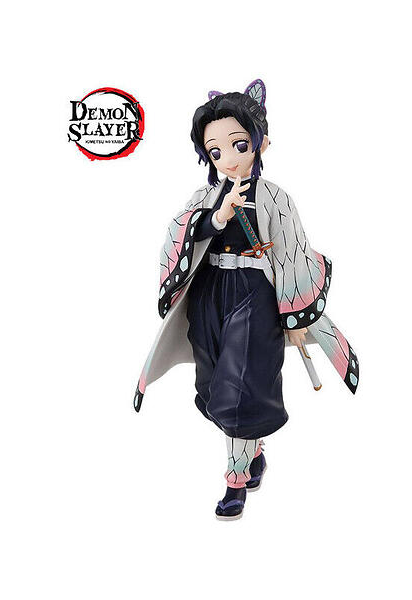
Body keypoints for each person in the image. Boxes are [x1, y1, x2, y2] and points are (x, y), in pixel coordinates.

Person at [134, 80, 359, 520]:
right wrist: (216, 216)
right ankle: (252, 452)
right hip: (209, 297)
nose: (229, 158)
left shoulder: (276, 198)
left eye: (239, 145)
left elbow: (292, 253)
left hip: (254, 299)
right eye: (216, 151)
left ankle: (235, 480)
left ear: (261, 143)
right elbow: (180, 232)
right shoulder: (205, 196)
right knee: (213, 384)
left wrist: (296, 318)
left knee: (239, 389)